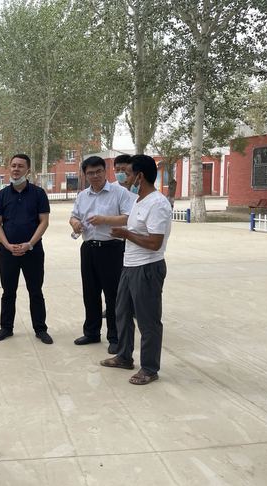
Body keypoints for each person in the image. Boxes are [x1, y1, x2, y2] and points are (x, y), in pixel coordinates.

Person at [100, 155, 172, 385]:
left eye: (129, 173)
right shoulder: (139, 200)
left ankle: (149, 368)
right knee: (121, 313)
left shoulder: (157, 203)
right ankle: (124, 356)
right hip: (130, 266)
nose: (125, 177)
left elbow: (154, 242)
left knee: (148, 321)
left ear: (140, 176)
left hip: (147, 268)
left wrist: (125, 234)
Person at [69, 156, 134, 354]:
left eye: (98, 171)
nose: (95, 176)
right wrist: (75, 223)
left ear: (105, 171)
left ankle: (115, 337)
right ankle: (91, 332)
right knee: (90, 293)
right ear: (85, 175)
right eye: (90, 173)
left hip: (112, 249)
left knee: (113, 295)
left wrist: (105, 219)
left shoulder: (119, 193)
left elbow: (129, 217)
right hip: (88, 248)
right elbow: (74, 216)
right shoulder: (82, 196)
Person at [0, 154, 52, 344]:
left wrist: (30, 244)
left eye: (20, 166)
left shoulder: (38, 193)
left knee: (35, 291)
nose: (16, 169)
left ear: (28, 170)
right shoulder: (2, 195)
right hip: (8, 252)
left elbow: (44, 221)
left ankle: (40, 329)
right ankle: (6, 327)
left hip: (33, 251)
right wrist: (7, 245)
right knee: (8, 291)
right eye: (13, 165)